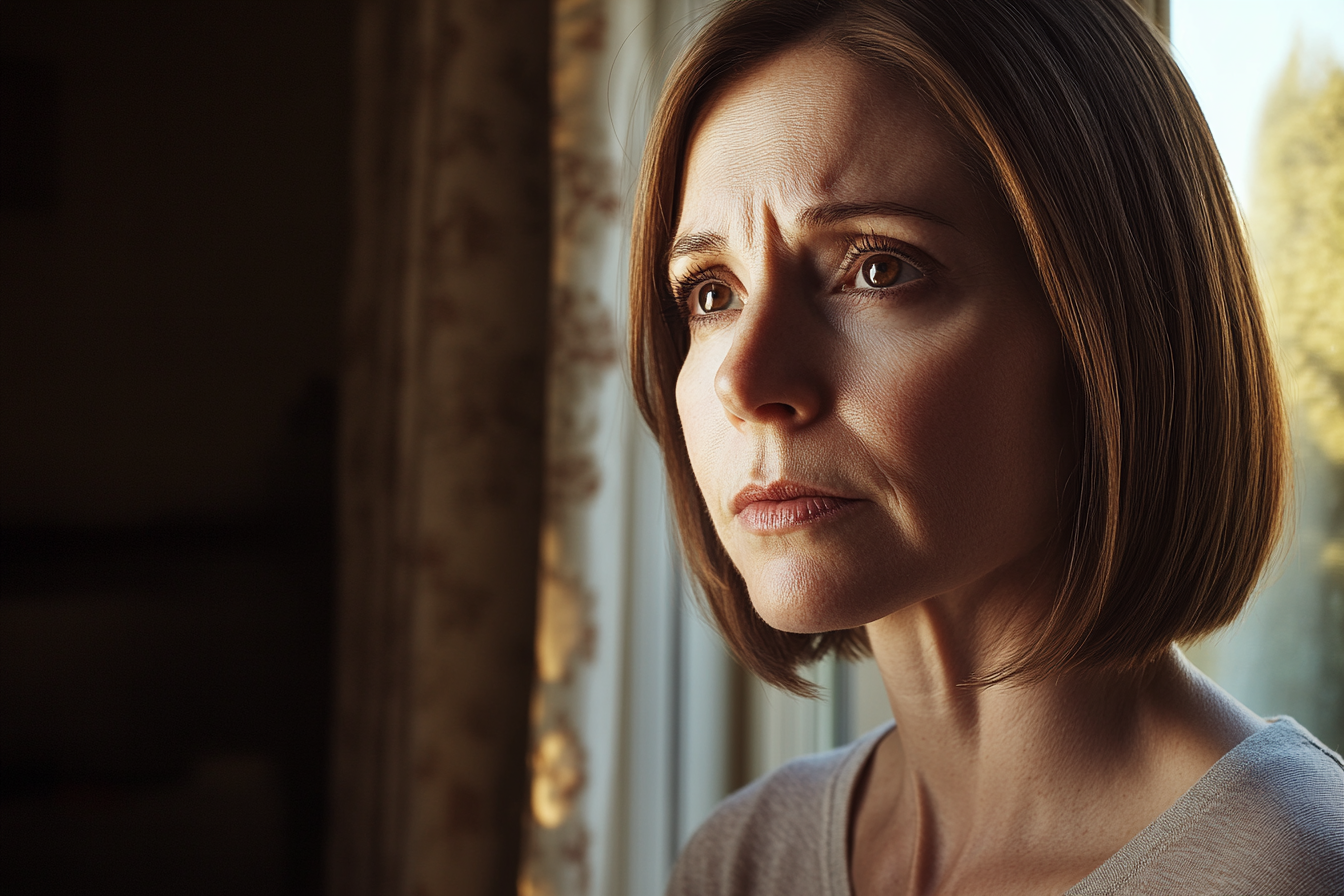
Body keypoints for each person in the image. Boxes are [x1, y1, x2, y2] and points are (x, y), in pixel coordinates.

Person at [626, 0, 1344, 893]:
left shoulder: (1295, 872)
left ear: (1108, 329)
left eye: (877, 268)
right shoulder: (743, 860)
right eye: (710, 293)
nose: (744, 382)